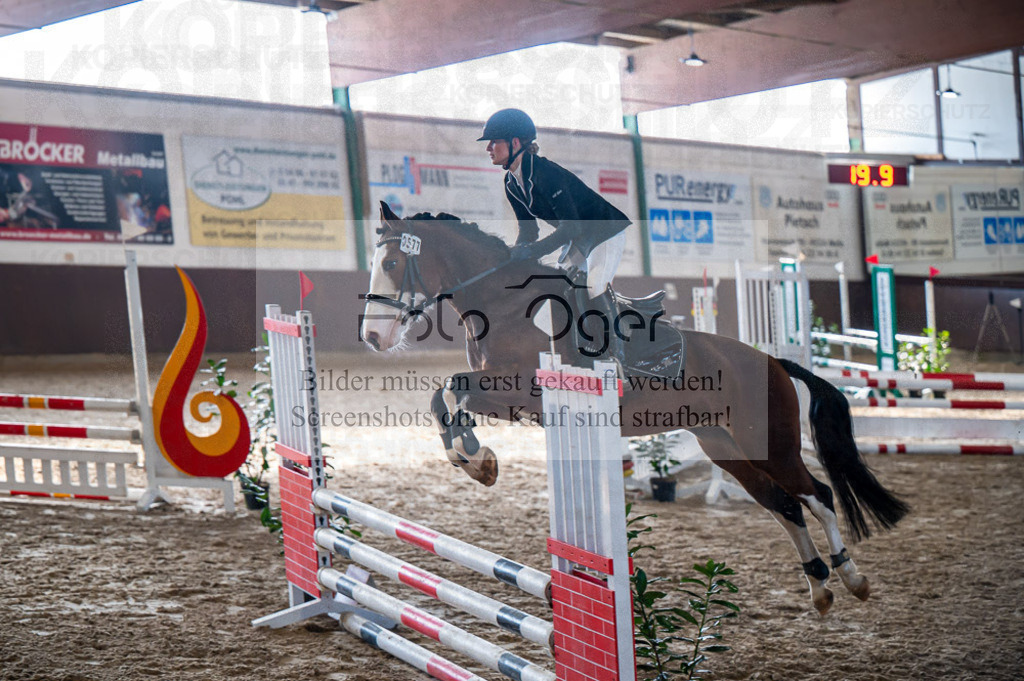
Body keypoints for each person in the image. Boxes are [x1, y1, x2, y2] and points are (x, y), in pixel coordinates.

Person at [478, 108, 631, 363]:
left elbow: (571, 227)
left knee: (593, 285)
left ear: (516, 142)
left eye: (494, 141)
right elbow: (528, 230)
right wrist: (514, 256)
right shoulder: (511, 183)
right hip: (581, 238)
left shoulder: (545, 173)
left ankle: (617, 354)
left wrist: (532, 251)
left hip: (605, 232)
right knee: (558, 289)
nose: (489, 148)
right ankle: (574, 353)